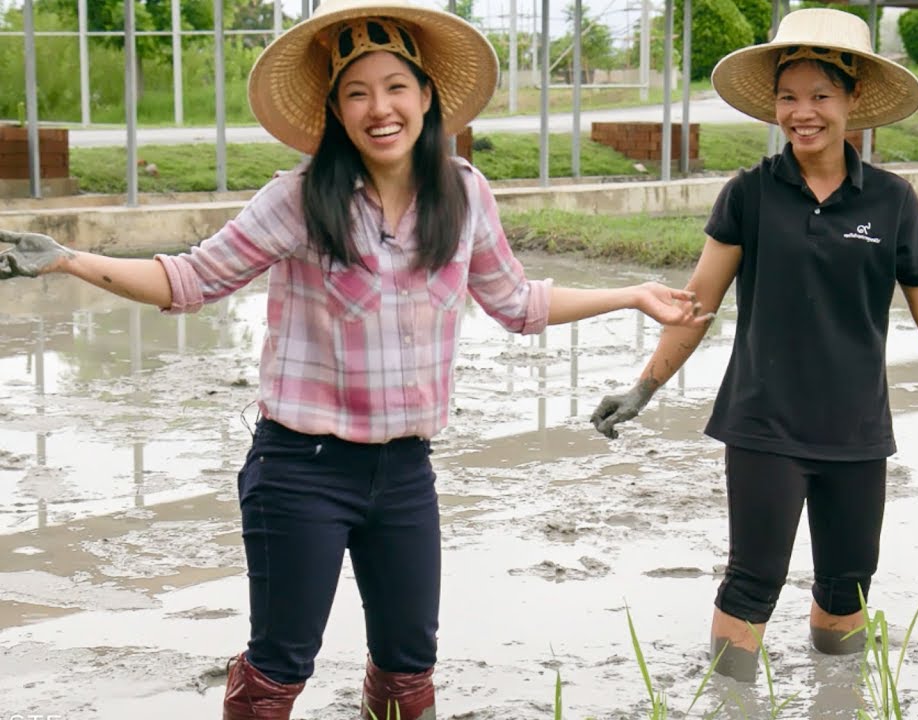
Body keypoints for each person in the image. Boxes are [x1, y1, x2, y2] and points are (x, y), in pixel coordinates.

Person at [0, 1, 712, 717]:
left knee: (410, 667)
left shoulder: (463, 194)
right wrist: (68, 259)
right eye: (357, 92)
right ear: (337, 111)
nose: (381, 108)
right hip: (300, 470)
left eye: (396, 87)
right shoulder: (301, 199)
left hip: (404, 472)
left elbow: (517, 303)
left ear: (427, 97)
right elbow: (189, 282)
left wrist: (632, 294)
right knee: (281, 665)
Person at [589, 8, 918, 684]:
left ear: (854, 101)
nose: (802, 112)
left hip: (856, 430)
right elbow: (696, 305)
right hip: (764, 425)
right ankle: (733, 699)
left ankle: (840, 697)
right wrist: (644, 387)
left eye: (820, 95)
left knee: (848, 586)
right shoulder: (750, 195)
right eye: (788, 97)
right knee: (753, 582)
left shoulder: (893, 202)